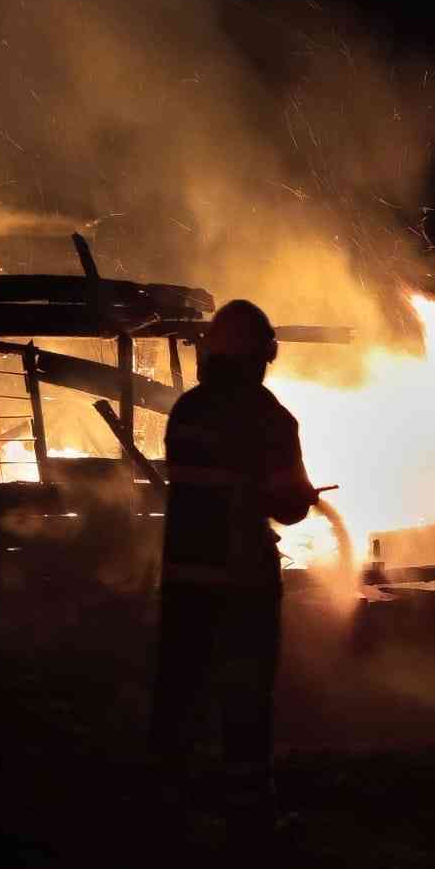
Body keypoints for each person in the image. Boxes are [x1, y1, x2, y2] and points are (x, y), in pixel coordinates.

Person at [147, 299, 321, 822]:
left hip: (184, 577)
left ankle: (167, 807)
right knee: (245, 694)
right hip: (243, 581)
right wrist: (302, 497)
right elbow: (288, 507)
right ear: (265, 353)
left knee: (180, 689)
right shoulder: (271, 418)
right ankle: (247, 811)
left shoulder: (186, 411)